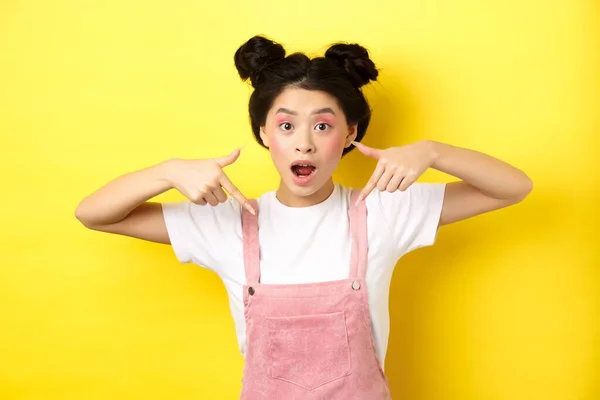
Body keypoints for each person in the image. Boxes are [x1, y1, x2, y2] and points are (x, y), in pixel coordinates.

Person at [75, 35, 533, 399]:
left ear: (349, 134)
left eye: (323, 125)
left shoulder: (384, 209)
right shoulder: (225, 220)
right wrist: (167, 171)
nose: (304, 143)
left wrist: (434, 151)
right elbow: (94, 214)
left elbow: (514, 187)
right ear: (263, 133)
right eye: (286, 125)